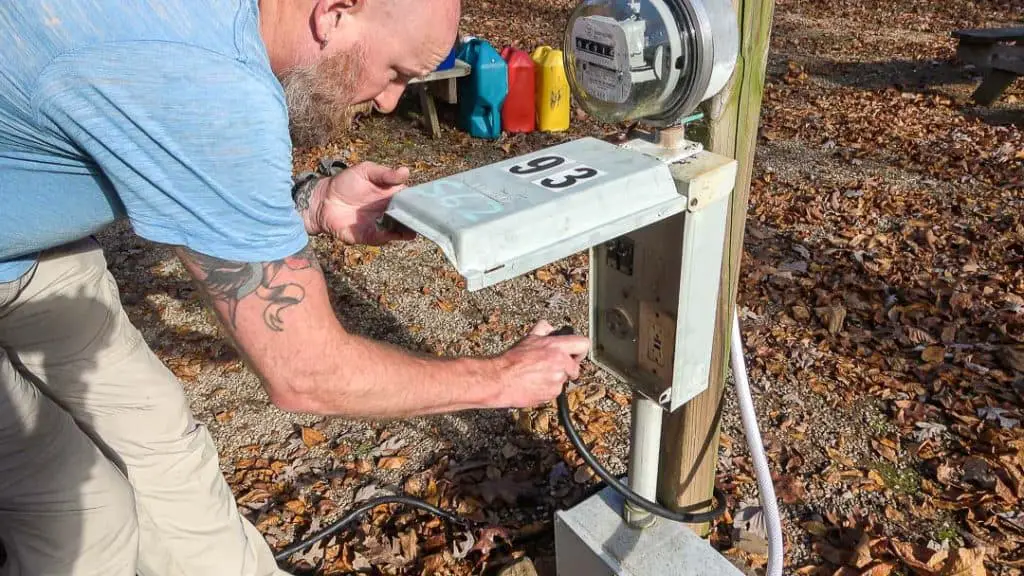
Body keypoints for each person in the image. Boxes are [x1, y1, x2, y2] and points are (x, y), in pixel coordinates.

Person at [0, 0, 591, 574]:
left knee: (158, 439)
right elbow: (307, 373)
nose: (389, 102)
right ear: (335, 11)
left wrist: (308, 202)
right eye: (396, 74)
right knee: (80, 512)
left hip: (35, 254)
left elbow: (170, 158)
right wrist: (501, 379)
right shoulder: (201, 75)